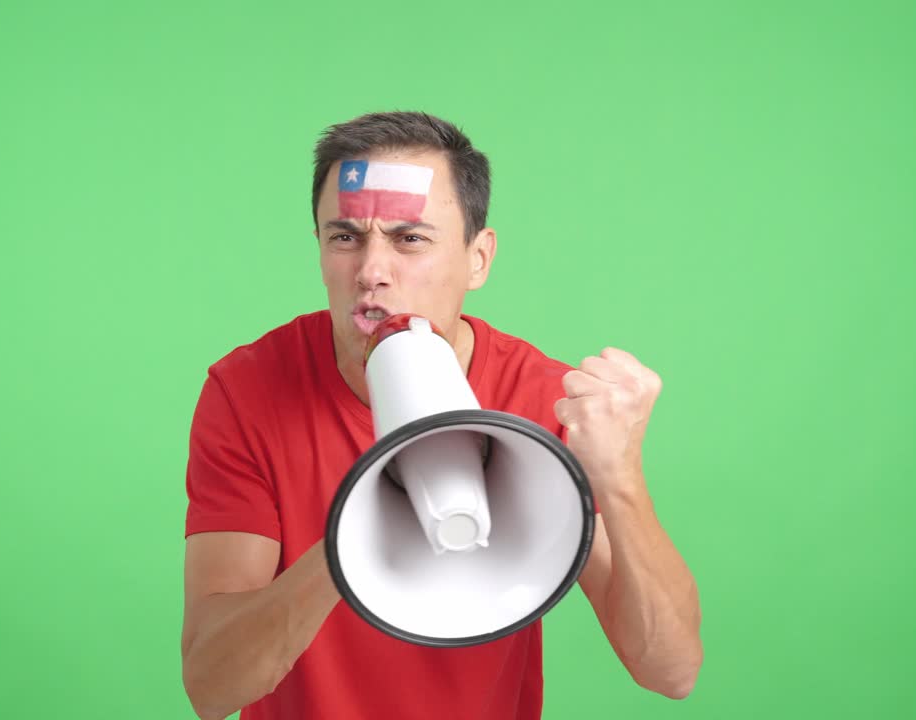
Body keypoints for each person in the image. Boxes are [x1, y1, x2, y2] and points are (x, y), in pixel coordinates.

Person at [181, 111, 703, 720]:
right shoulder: (247, 390)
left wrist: (619, 479)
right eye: (345, 236)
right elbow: (211, 688)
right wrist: (349, 547)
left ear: (477, 259)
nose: (372, 272)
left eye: (411, 239)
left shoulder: (542, 400)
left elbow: (671, 670)